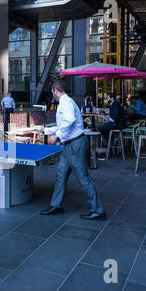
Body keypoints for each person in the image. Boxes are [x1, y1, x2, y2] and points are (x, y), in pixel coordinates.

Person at [41, 80, 105, 220]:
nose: (53, 95)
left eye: (53, 93)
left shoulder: (66, 103)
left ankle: (98, 209)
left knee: (83, 178)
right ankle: (56, 205)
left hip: (75, 145)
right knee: (61, 175)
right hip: (69, 145)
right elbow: (63, 125)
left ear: (55, 91)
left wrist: (57, 136)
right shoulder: (65, 102)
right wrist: (45, 130)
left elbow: (69, 121)